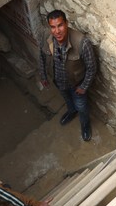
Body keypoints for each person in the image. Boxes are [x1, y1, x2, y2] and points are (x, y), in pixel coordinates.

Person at [39, 10, 97, 142]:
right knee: (67, 100)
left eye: (60, 25)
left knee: (81, 107)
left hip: (77, 85)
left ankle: (85, 125)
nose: (57, 31)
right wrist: (43, 76)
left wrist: (83, 87)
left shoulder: (81, 42)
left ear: (66, 23)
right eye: (53, 27)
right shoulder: (47, 37)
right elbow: (42, 56)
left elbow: (92, 67)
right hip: (58, 81)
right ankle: (71, 111)